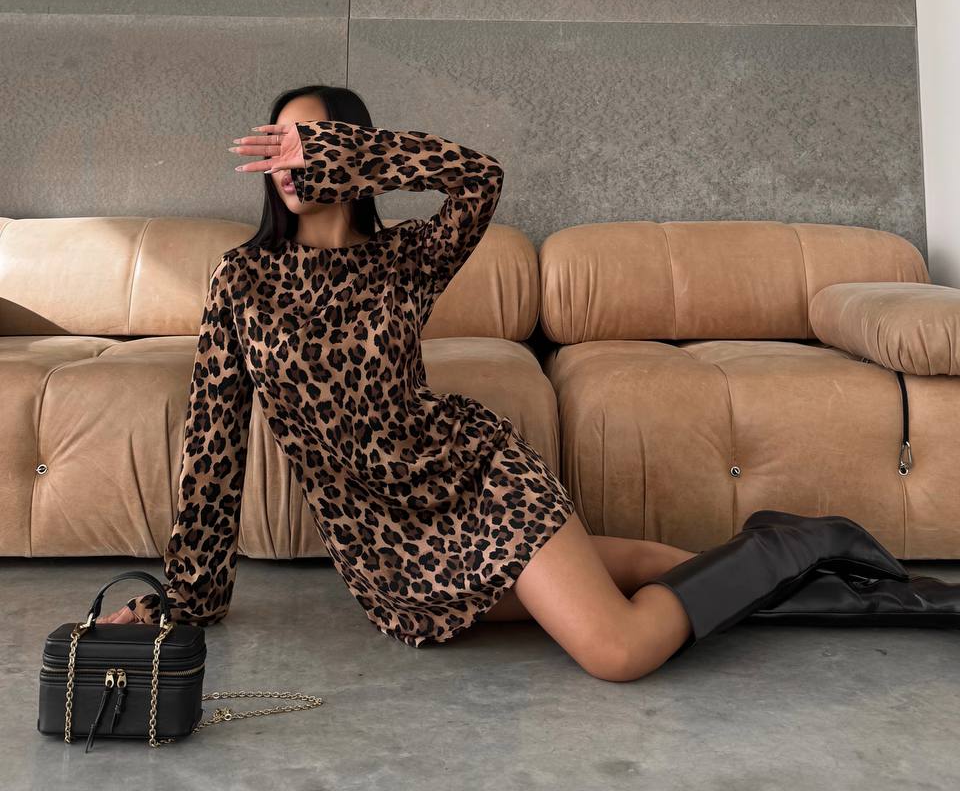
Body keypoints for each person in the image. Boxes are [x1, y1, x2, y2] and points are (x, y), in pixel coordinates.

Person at [97, 84, 959, 680]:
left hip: (471, 484)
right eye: (277, 142)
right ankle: (858, 582)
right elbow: (210, 451)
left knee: (615, 649)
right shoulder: (241, 281)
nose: (288, 160)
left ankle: (796, 546)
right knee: (632, 574)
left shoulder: (402, 259)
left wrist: (346, 152)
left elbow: (479, 178)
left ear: (351, 154)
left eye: (309, 140)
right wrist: (188, 602)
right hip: (391, 556)